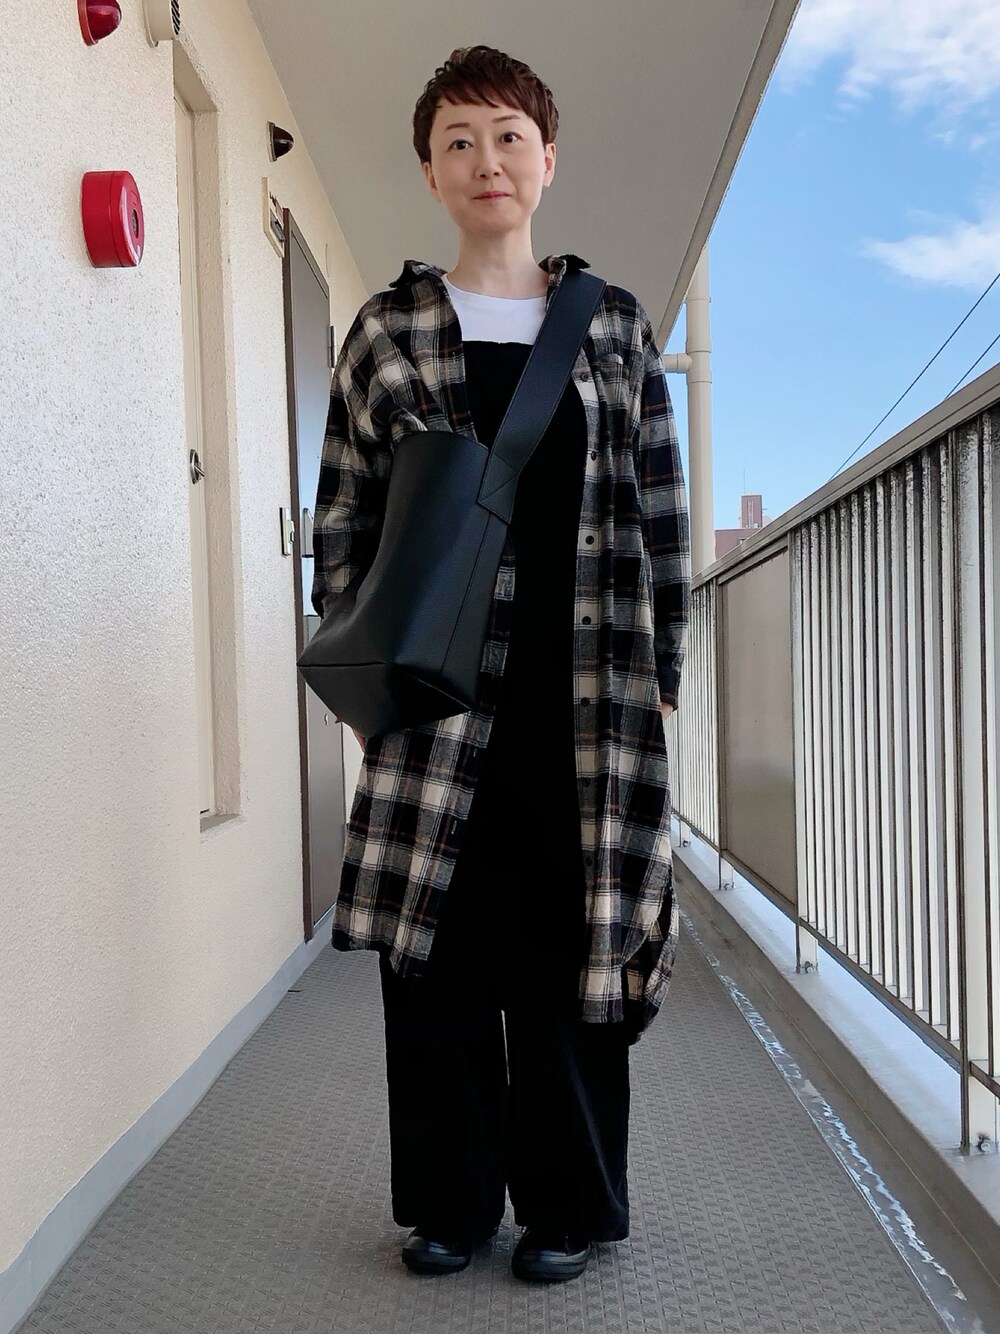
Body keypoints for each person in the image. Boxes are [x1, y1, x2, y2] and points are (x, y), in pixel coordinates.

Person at [310, 44, 690, 1284]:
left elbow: (659, 510)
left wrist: (663, 677)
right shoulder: (387, 333)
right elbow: (343, 519)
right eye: (459, 141)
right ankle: (450, 1204)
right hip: (438, 700)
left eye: (509, 137)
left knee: (569, 953)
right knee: (439, 956)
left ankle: (568, 1203)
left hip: (586, 703)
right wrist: (367, 677)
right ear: (430, 171)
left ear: (547, 159)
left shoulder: (614, 327)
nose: (487, 161)